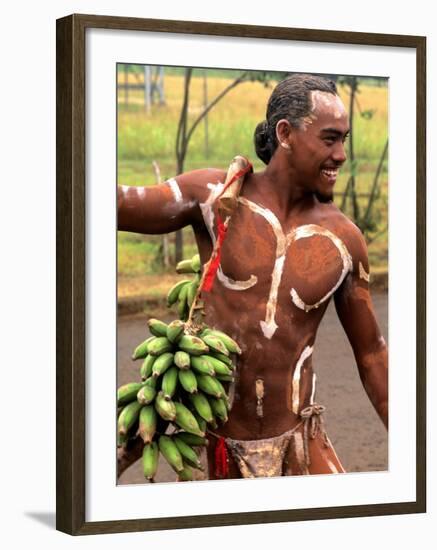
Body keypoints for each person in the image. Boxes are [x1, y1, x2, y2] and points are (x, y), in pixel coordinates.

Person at [117, 73, 388, 480]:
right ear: (285, 133)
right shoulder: (214, 198)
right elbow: (118, 204)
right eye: (330, 139)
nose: (341, 155)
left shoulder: (344, 241)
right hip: (219, 445)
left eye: (344, 140)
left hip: (301, 443)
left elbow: (372, 354)